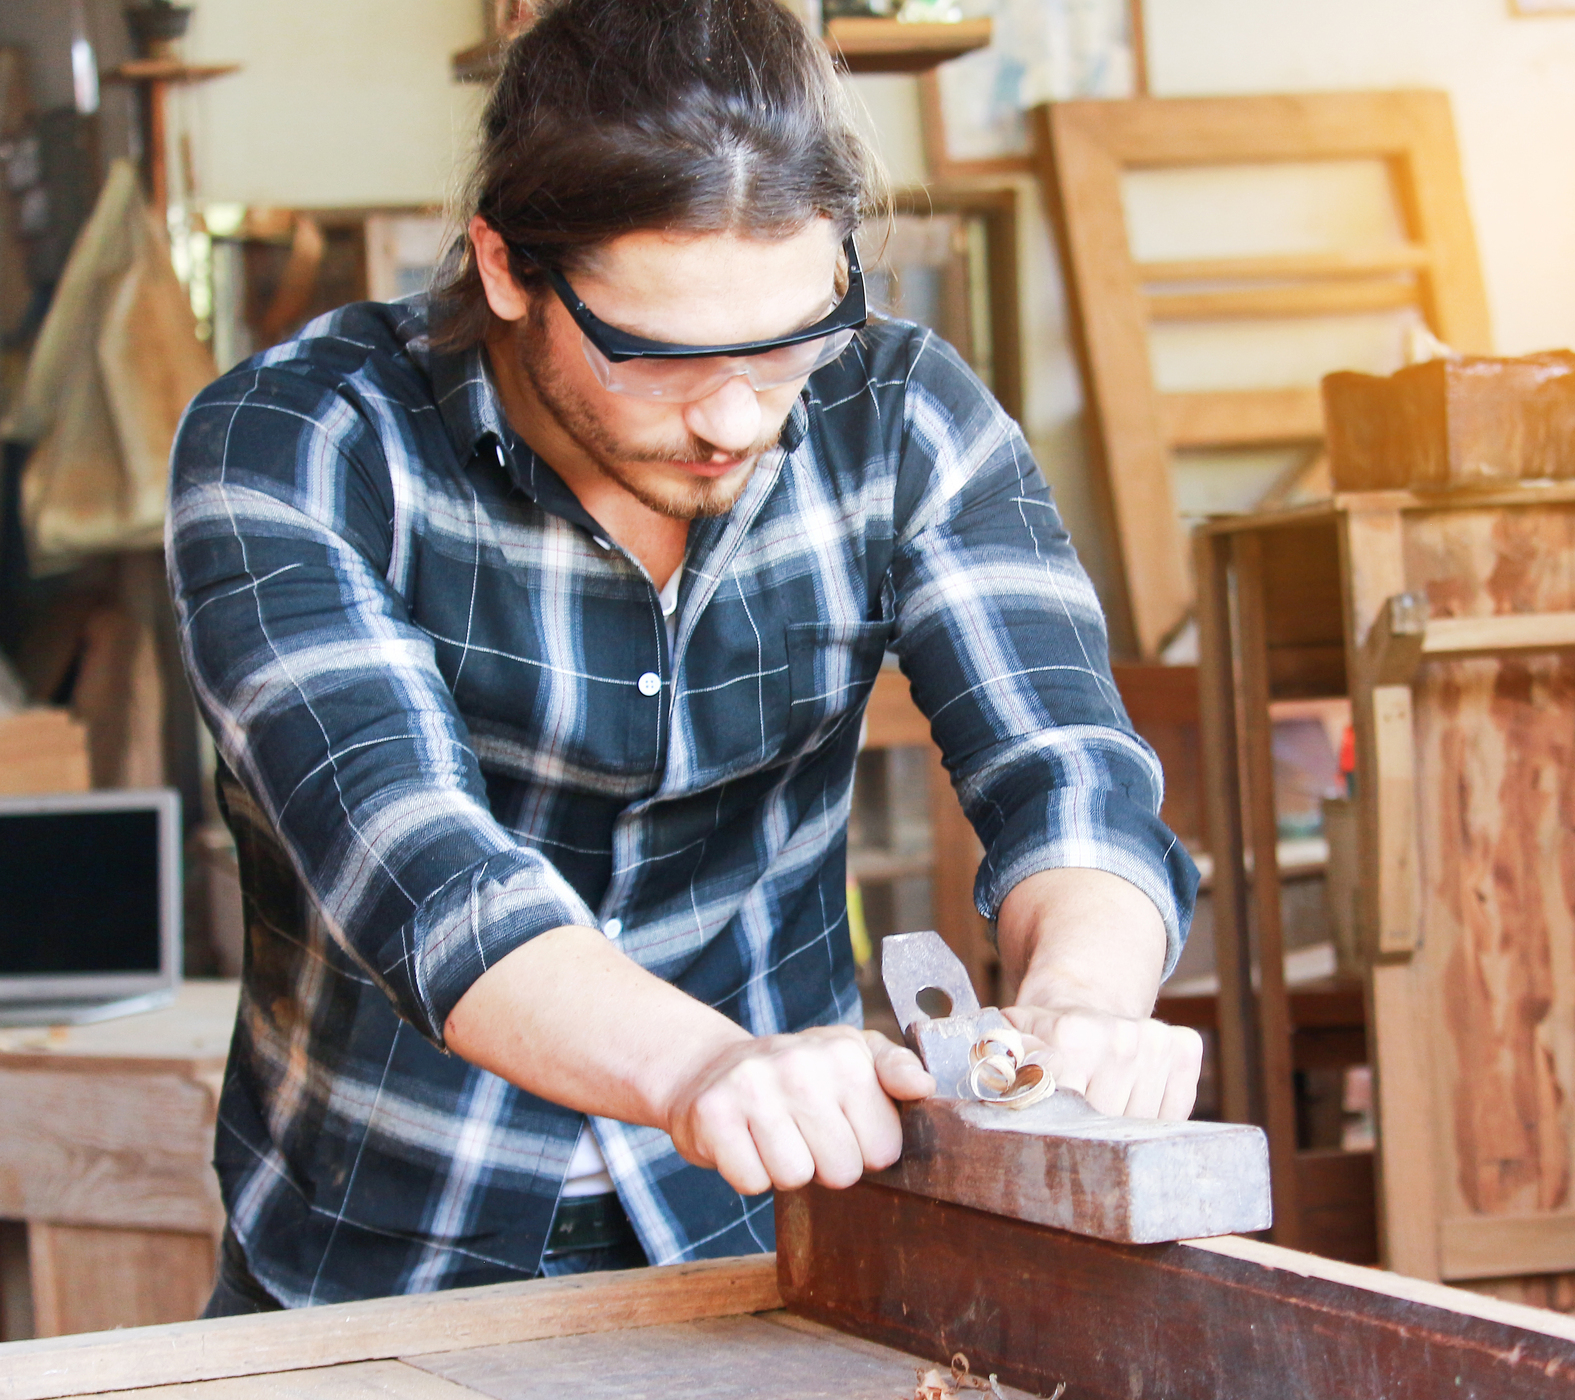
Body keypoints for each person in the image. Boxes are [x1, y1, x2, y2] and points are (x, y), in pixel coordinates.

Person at [168, 0, 1200, 1312]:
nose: (730, 416)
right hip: (383, 1250)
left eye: (786, 342)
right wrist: (704, 1072)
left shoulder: (901, 420)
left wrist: (1086, 998)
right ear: (503, 264)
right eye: (658, 357)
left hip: (773, 1227)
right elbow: (420, 867)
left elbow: (1068, 773)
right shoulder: (296, 446)